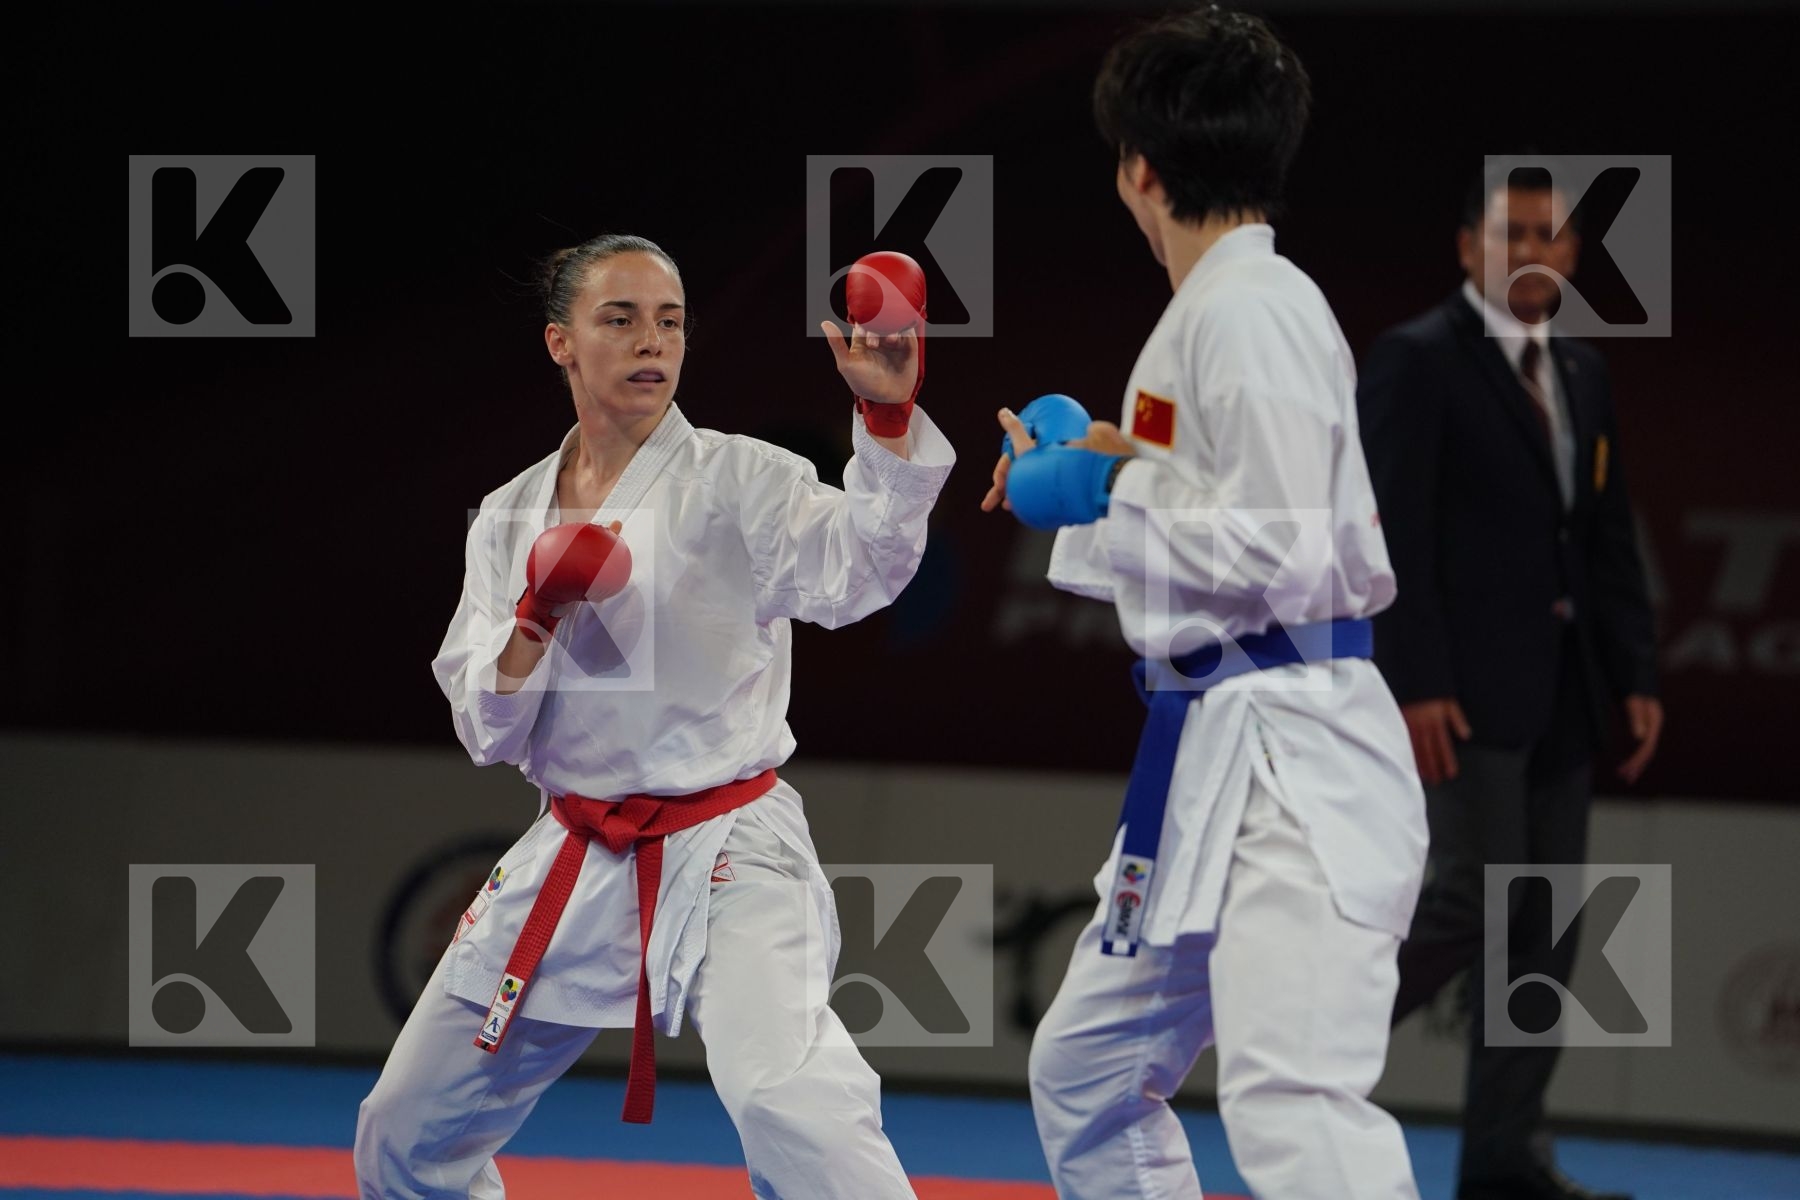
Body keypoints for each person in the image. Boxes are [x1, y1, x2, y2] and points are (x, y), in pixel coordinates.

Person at [353, 233, 954, 1199]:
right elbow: (487, 729)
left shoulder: (740, 479)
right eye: (621, 319)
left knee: (787, 1103)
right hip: (575, 848)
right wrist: (535, 622)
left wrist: (886, 416)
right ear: (561, 343)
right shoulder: (509, 516)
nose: (652, 342)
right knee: (405, 1130)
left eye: (670, 322)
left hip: (730, 848)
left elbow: (863, 570)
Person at [983, 8, 1426, 1198]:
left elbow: (1274, 546)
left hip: (1295, 761)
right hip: (1216, 754)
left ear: (1139, 169)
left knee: (1294, 1097)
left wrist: (1103, 483)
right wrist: (1095, 480)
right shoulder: (1212, 316)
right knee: (1086, 1073)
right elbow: (1208, 518)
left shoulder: (1249, 312)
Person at [1358, 163, 1662, 1200]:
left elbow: (1604, 538)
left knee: (1537, 924)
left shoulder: (1580, 373)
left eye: (1551, 231)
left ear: (1574, 254)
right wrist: (1416, 679)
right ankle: (1303, 1037)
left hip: (1564, 697)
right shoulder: (1415, 361)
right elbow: (1389, 531)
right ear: (1467, 247)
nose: (1533, 246)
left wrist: (1634, 672)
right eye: (1512, 229)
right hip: (1457, 693)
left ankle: (1502, 1161)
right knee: (1465, 899)